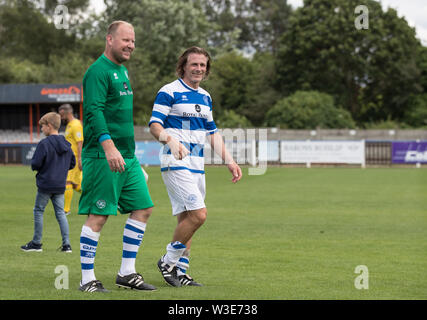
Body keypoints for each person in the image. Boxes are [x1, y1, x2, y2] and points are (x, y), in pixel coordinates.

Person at [149, 46, 242, 287]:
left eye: (203, 65)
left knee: (187, 219)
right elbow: (154, 125)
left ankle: (180, 272)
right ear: (183, 66)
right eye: (194, 64)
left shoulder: (205, 96)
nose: (199, 69)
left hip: (197, 166)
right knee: (199, 215)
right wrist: (170, 140)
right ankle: (167, 261)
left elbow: (212, 133)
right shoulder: (169, 91)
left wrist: (230, 161)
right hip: (175, 163)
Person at [78, 20, 155, 293]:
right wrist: (108, 146)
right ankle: (87, 279)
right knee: (99, 215)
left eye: (133, 41)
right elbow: (93, 111)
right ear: (109, 39)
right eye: (125, 40)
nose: (131, 45)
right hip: (102, 155)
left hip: (128, 157)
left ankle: (126, 272)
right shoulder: (97, 71)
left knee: (143, 208)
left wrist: (130, 155)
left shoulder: (121, 72)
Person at [21, 112, 75, 253]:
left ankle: (36, 243)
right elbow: (72, 163)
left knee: (38, 211)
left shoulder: (44, 143)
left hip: (46, 184)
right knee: (61, 213)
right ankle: (66, 245)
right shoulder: (66, 144)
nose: (41, 129)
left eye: (42, 126)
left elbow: (36, 164)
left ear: (49, 126)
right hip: (60, 185)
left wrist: (39, 168)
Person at [58, 104, 83, 215]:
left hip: (74, 159)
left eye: (61, 114)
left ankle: (66, 210)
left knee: (67, 182)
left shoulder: (76, 125)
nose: (60, 116)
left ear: (66, 112)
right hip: (69, 158)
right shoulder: (69, 125)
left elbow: (80, 142)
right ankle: (97, 197)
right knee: (75, 185)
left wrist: (80, 159)